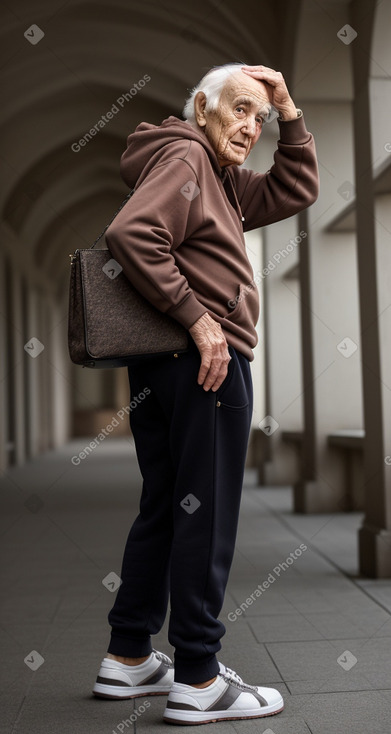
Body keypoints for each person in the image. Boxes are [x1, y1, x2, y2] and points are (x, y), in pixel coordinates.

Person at [92, 62, 319, 725]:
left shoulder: (214, 177)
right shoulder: (190, 158)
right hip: (203, 363)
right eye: (240, 109)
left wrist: (290, 112)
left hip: (166, 363)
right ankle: (197, 673)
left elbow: (295, 186)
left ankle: (130, 655)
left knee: (166, 505)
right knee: (206, 511)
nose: (251, 126)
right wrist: (201, 324)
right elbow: (133, 234)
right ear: (202, 106)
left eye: (261, 117)